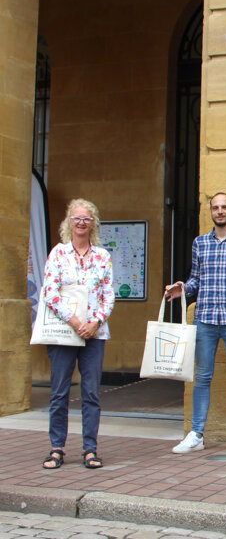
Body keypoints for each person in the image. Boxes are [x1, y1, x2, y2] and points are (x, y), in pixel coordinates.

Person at [165, 192, 226, 455]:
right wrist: (181, 288)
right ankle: (196, 434)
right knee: (202, 377)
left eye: (224, 207)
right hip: (205, 319)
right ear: (210, 211)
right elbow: (196, 279)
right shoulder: (200, 243)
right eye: (215, 207)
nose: (220, 211)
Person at [41, 198, 115, 470]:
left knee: (91, 393)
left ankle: (89, 449)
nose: (81, 223)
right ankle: (57, 448)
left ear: (93, 223)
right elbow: (50, 292)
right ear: (68, 223)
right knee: (59, 392)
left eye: (87, 218)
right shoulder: (58, 254)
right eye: (77, 218)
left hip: (94, 334)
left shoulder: (102, 256)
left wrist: (93, 323)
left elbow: (109, 295)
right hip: (64, 332)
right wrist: (75, 321)